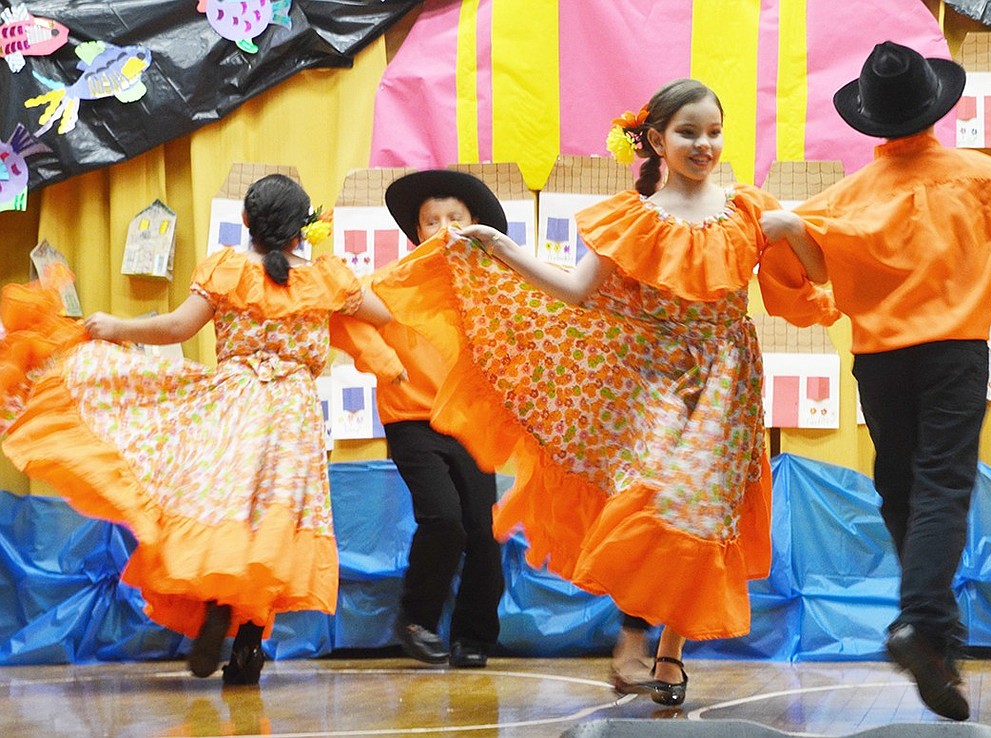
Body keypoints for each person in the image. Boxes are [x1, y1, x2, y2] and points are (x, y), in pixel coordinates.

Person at [370, 78, 838, 705]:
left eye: (714, 132)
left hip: (729, 383)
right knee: (655, 502)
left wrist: (791, 226)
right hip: (655, 382)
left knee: (705, 517)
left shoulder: (750, 211)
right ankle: (633, 634)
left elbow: (818, 269)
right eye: (688, 132)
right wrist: (503, 247)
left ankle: (667, 654)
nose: (704, 144)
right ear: (656, 140)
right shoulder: (631, 219)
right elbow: (574, 292)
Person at [760, 42, 991, 721]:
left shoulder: (849, 197)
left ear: (871, 118)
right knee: (943, 485)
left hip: (880, 363)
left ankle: (937, 637)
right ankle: (925, 626)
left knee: (898, 486)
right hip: (954, 354)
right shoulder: (984, 177)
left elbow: (792, 260)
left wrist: (813, 297)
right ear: (934, 107)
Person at [0, 174, 396, 685]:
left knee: (223, 508)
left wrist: (116, 327)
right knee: (273, 523)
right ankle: (249, 646)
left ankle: (215, 604)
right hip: (294, 416)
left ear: (246, 222)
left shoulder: (226, 269)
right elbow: (382, 314)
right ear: (305, 228)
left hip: (236, 404)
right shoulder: (327, 279)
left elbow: (174, 329)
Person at [330, 169, 506, 668]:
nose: (444, 227)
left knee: (483, 534)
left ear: (476, 225)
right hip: (411, 418)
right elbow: (341, 306)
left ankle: (474, 636)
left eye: (455, 218)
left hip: (472, 424)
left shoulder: (492, 289)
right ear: (417, 232)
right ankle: (416, 620)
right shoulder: (393, 282)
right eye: (433, 221)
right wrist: (383, 361)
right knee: (444, 519)